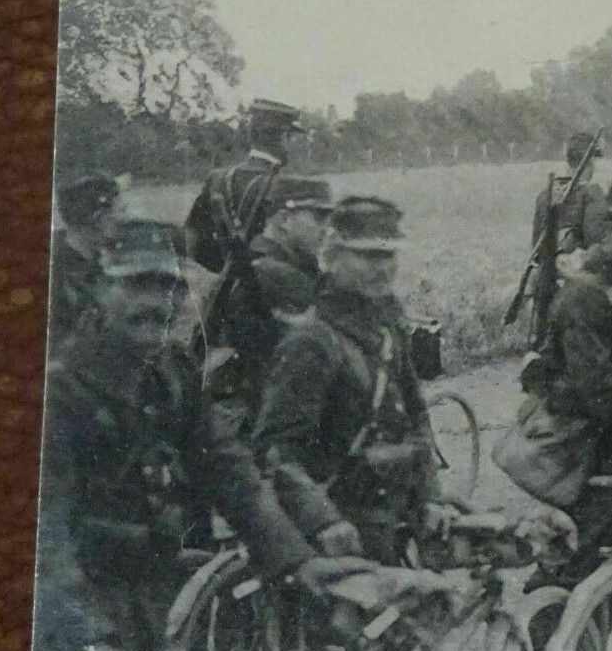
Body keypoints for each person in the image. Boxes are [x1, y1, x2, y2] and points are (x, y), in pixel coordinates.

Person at [35, 219, 353, 651]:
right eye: (136, 284)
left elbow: (230, 472)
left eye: (170, 286)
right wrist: (86, 639)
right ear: (98, 288)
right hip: (71, 614)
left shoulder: (172, 374)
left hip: (158, 595)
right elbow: (41, 537)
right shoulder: (59, 390)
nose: (156, 302)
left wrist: (296, 561)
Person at [252, 197, 443, 566]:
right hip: (337, 535)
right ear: (333, 255)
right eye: (367, 256)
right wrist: (324, 521)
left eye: (388, 256)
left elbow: (417, 419)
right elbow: (276, 454)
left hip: (392, 522)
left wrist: (432, 497)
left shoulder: (387, 329)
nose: (381, 269)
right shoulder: (313, 342)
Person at [514, 178, 612, 588]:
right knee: (586, 564)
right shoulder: (587, 294)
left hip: (600, 441)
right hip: (577, 442)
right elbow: (596, 389)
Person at [215, 176, 333, 410]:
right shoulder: (276, 274)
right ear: (285, 219)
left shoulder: (264, 264)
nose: (326, 230)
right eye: (318, 218)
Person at [184, 98, 304, 274]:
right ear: (285, 137)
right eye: (293, 137)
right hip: (270, 291)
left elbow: (193, 237)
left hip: (224, 292)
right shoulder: (286, 185)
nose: (295, 145)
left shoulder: (216, 178)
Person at [48, 171, 125, 345]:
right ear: (98, 219)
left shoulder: (92, 259)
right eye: (119, 210)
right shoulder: (59, 274)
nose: (123, 218)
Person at [531, 131, 610, 256]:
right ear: (591, 161)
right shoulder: (592, 193)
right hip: (575, 269)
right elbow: (595, 240)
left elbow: (536, 245)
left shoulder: (544, 195)